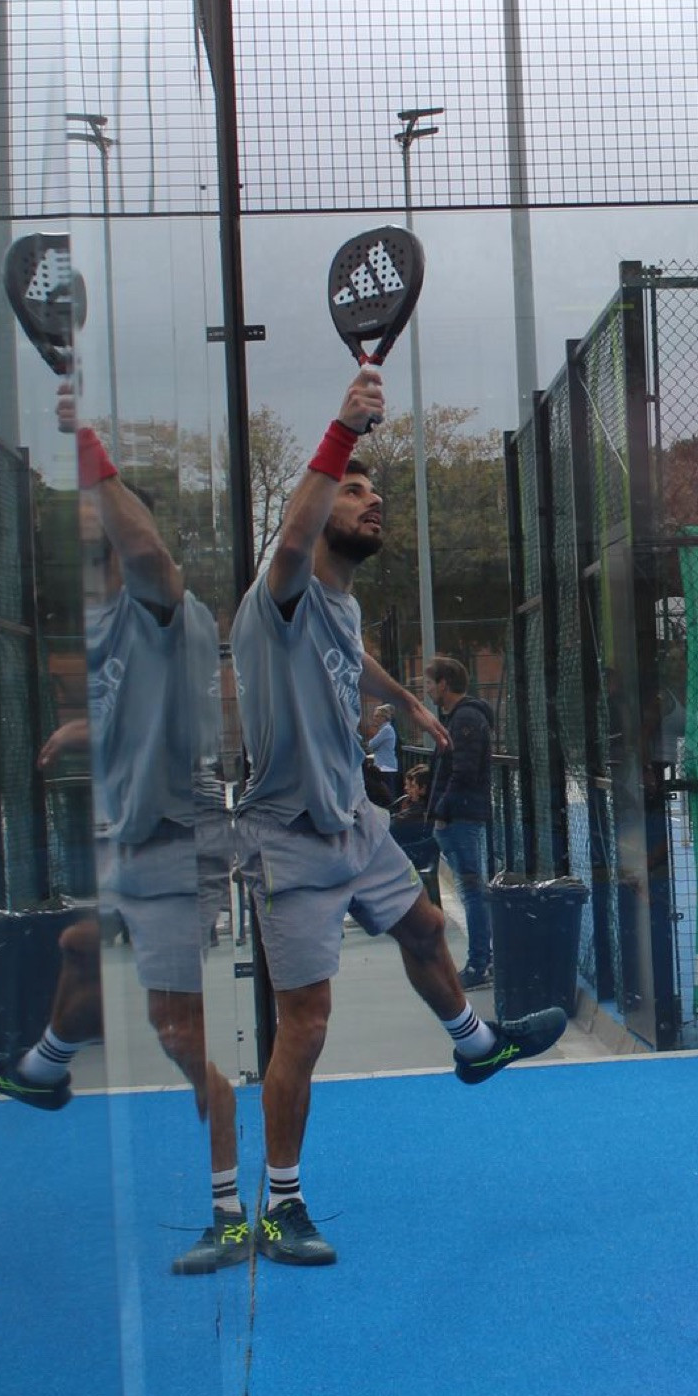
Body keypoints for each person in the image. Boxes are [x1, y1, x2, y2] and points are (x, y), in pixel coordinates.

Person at [228, 364, 565, 1268]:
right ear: (313, 508)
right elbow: (291, 542)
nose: (371, 500)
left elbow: (354, 658)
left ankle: (474, 1044)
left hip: (355, 822)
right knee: (305, 1022)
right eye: (353, 489)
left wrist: (409, 699)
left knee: (423, 926)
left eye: (374, 491)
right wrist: (341, 427)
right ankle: (282, 1205)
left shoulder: (339, 605)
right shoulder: (278, 595)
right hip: (290, 838)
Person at [0, 402, 243, 1278]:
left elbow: (146, 551)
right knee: (79, 947)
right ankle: (43, 1069)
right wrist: (86, 730)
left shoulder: (159, 598)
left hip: (179, 841)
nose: (85, 520)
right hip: (140, 845)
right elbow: (138, 711)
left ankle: (231, 1215)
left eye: (99, 509)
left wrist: (89, 449)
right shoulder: (107, 620)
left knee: (178, 1030)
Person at [426, 652, 497, 991]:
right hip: (460, 817)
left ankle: (480, 962)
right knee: (472, 889)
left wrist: (442, 810)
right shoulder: (461, 718)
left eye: (430, 683)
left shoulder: (465, 719)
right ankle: (484, 959)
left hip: (461, 818)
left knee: (471, 890)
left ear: (444, 684)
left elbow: (463, 771)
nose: (427, 690)